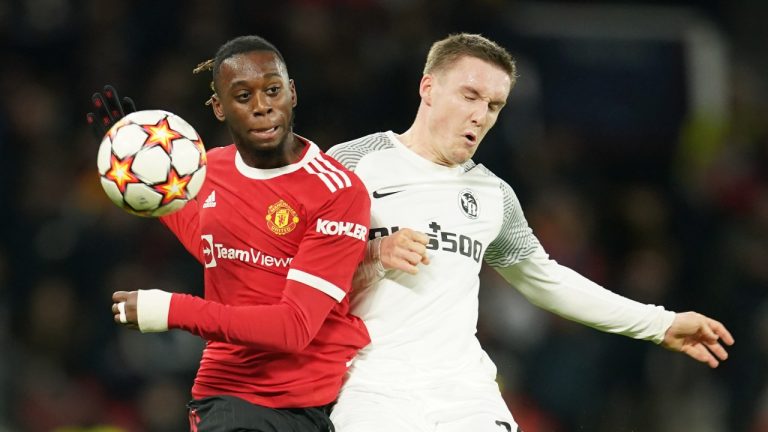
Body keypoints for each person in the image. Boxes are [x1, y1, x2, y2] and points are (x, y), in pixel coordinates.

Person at [326, 33, 735, 432]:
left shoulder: (493, 194)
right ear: (428, 88)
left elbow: (546, 281)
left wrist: (659, 324)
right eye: (469, 96)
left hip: (465, 393)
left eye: (494, 105)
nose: (480, 116)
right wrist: (373, 254)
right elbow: (294, 270)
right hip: (373, 385)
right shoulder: (351, 165)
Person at [87, 35, 371, 432]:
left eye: (272, 90)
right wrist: (143, 173)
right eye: (243, 96)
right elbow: (212, 246)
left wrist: (172, 310)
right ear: (219, 108)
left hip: (322, 406)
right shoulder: (208, 170)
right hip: (231, 397)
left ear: (291, 92)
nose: (262, 106)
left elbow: (294, 327)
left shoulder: (337, 190)